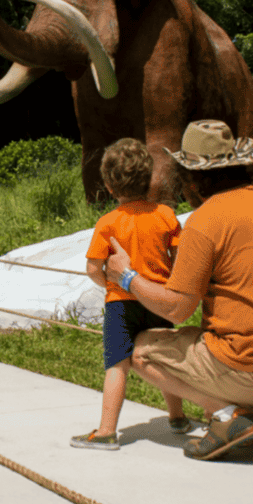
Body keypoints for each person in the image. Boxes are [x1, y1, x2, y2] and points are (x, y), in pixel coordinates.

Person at [104, 120, 253, 462]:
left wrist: (127, 277)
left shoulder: (205, 220)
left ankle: (227, 416)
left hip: (242, 368)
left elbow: (178, 309)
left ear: (193, 176)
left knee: (139, 350)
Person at [72, 138, 188, 451]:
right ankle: (177, 417)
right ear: (149, 179)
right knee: (164, 360)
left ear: (109, 186)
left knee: (117, 366)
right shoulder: (166, 215)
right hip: (159, 300)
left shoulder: (108, 223)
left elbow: (94, 268)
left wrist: (110, 284)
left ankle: (107, 431)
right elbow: (178, 260)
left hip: (121, 304)